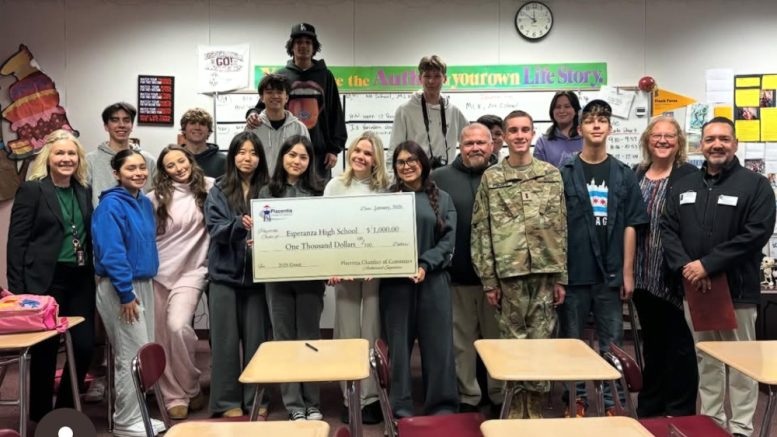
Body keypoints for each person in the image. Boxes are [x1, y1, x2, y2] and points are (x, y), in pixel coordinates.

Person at [662, 117, 776, 437]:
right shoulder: (683, 185)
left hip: (737, 291)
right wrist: (688, 267)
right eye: (710, 139)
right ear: (701, 145)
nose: (717, 145)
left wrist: (708, 265)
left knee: (742, 364)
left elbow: (756, 234)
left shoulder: (756, 186)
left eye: (724, 139)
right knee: (706, 359)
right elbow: (668, 230)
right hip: (695, 290)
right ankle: (712, 422)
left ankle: (740, 428)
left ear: (735, 144)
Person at [471, 112, 567, 418]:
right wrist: (489, 280)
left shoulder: (551, 175)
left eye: (525, 129)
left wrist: (562, 276)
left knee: (540, 343)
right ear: (504, 136)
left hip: (545, 273)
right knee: (513, 344)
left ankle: (535, 411)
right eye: (513, 130)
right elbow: (481, 231)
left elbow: (561, 226)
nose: (520, 135)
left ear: (533, 133)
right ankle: (513, 410)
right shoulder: (492, 178)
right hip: (508, 274)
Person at [559, 99, 648, 417]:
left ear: (610, 128)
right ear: (580, 128)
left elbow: (631, 224)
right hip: (574, 272)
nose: (596, 125)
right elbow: (556, 226)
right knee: (572, 342)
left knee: (612, 343)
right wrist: (558, 275)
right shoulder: (565, 173)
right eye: (590, 120)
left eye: (602, 120)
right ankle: (576, 399)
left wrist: (627, 272)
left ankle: (614, 403)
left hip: (610, 274)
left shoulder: (623, 174)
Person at [7, 130, 95, 423]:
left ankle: (66, 408)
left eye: (72, 154)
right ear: (48, 158)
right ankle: (41, 415)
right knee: (45, 350)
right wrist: (19, 293)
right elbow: (17, 242)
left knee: (83, 346)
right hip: (43, 280)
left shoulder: (83, 190)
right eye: (60, 153)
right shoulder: (33, 190)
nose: (66, 159)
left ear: (78, 159)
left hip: (80, 278)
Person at [380, 141, 458, 417]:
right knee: (399, 351)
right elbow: (375, 240)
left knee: (438, 347)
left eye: (412, 160)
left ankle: (442, 406)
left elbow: (448, 242)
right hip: (396, 286)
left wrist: (425, 264)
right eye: (401, 162)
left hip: (433, 282)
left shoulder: (443, 199)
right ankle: (400, 407)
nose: (407, 166)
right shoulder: (384, 201)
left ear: (423, 163)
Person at [91, 149, 164, 437]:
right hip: (120, 286)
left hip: (142, 283)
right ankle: (125, 420)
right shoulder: (110, 206)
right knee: (130, 353)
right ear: (116, 173)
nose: (138, 173)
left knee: (143, 351)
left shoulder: (143, 202)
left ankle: (138, 415)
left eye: (141, 168)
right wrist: (125, 293)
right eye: (130, 168)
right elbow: (112, 253)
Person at [431, 123, 502, 414]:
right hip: (456, 277)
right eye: (469, 143)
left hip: (497, 281)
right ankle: (468, 397)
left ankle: (499, 396)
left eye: (481, 143)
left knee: (497, 342)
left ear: (492, 146)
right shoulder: (439, 178)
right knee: (461, 344)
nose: (475, 148)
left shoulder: (504, 174)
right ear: (459, 146)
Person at [632, 116, 698, 418]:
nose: (662, 140)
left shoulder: (689, 176)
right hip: (642, 274)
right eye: (656, 135)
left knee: (680, 345)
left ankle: (679, 407)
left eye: (669, 136)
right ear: (647, 140)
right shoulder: (637, 174)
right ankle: (651, 404)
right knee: (653, 343)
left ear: (679, 142)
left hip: (674, 273)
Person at [323, 131, 390, 425]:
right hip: (345, 270)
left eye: (368, 153)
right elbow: (325, 228)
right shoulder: (335, 186)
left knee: (372, 329)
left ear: (377, 159)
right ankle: (350, 395)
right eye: (357, 150)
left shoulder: (387, 188)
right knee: (347, 331)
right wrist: (330, 266)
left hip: (375, 270)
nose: (361, 156)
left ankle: (371, 398)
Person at [204, 131, 271, 418]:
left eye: (253, 153)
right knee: (225, 342)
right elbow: (215, 228)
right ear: (232, 157)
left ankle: (257, 399)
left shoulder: (269, 188)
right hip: (224, 276)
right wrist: (238, 225)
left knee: (258, 342)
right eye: (241, 152)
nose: (248, 158)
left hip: (258, 278)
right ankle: (226, 402)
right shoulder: (219, 189)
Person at [259, 135, 326, 421]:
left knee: (309, 338)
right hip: (277, 278)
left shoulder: (319, 192)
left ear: (310, 162)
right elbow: (261, 231)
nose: (297, 161)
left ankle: (312, 402)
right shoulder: (267, 192)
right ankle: (294, 405)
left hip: (311, 277)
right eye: (292, 155)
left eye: (303, 157)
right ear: (282, 157)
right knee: (284, 339)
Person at [149, 146, 213, 420]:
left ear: (190, 160)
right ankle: (173, 394)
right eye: (170, 165)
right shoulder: (154, 198)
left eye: (181, 161)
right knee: (161, 335)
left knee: (178, 327)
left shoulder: (210, 188)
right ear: (164, 171)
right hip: (157, 272)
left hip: (193, 271)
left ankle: (190, 385)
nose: (178, 168)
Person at [246, 23, 346, 180]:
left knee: (316, 193)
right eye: (298, 42)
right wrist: (252, 114)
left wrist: (334, 149)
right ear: (291, 47)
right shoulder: (281, 75)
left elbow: (336, 113)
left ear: (314, 47)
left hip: (319, 155)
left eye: (308, 42)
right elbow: (261, 106)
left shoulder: (326, 76)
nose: (303, 46)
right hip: (286, 154)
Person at [389, 55, 469, 169]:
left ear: (445, 78)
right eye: (427, 76)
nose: (431, 81)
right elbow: (394, 149)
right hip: (416, 174)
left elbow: (470, 140)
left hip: (447, 173)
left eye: (437, 76)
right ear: (420, 78)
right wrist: (392, 178)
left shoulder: (453, 111)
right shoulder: (405, 110)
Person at [88, 102, 156, 206]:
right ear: (106, 126)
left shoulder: (148, 160)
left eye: (126, 120)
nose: (121, 125)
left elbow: (156, 195)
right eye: (115, 120)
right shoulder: (90, 160)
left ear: (132, 126)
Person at [246, 74, 310, 174]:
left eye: (279, 92)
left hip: (290, 181)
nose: (275, 96)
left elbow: (306, 158)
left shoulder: (299, 128)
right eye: (269, 92)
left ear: (286, 98)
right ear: (262, 98)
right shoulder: (253, 127)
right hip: (260, 182)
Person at [534, 91, 583, 168]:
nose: (562, 111)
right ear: (552, 111)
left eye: (567, 106)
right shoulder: (543, 142)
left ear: (576, 111)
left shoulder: (586, 139)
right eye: (558, 107)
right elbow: (538, 173)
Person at [179, 108, 226, 178]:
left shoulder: (223, 161)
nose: (197, 127)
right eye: (192, 123)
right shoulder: (173, 158)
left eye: (202, 124)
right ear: (184, 129)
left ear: (209, 131)